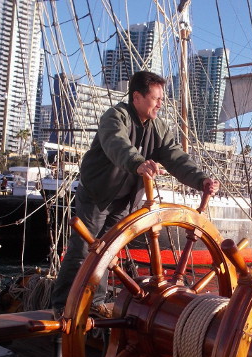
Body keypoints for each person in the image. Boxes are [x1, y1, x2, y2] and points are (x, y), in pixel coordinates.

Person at [51, 71, 219, 318]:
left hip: (124, 200)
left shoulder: (159, 128)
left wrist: (201, 180)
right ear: (137, 97)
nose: (161, 103)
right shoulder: (115, 117)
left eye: (162, 98)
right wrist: (138, 163)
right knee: (81, 252)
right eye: (156, 98)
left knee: (108, 252)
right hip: (97, 195)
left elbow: (176, 158)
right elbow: (116, 143)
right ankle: (61, 307)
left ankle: (95, 303)